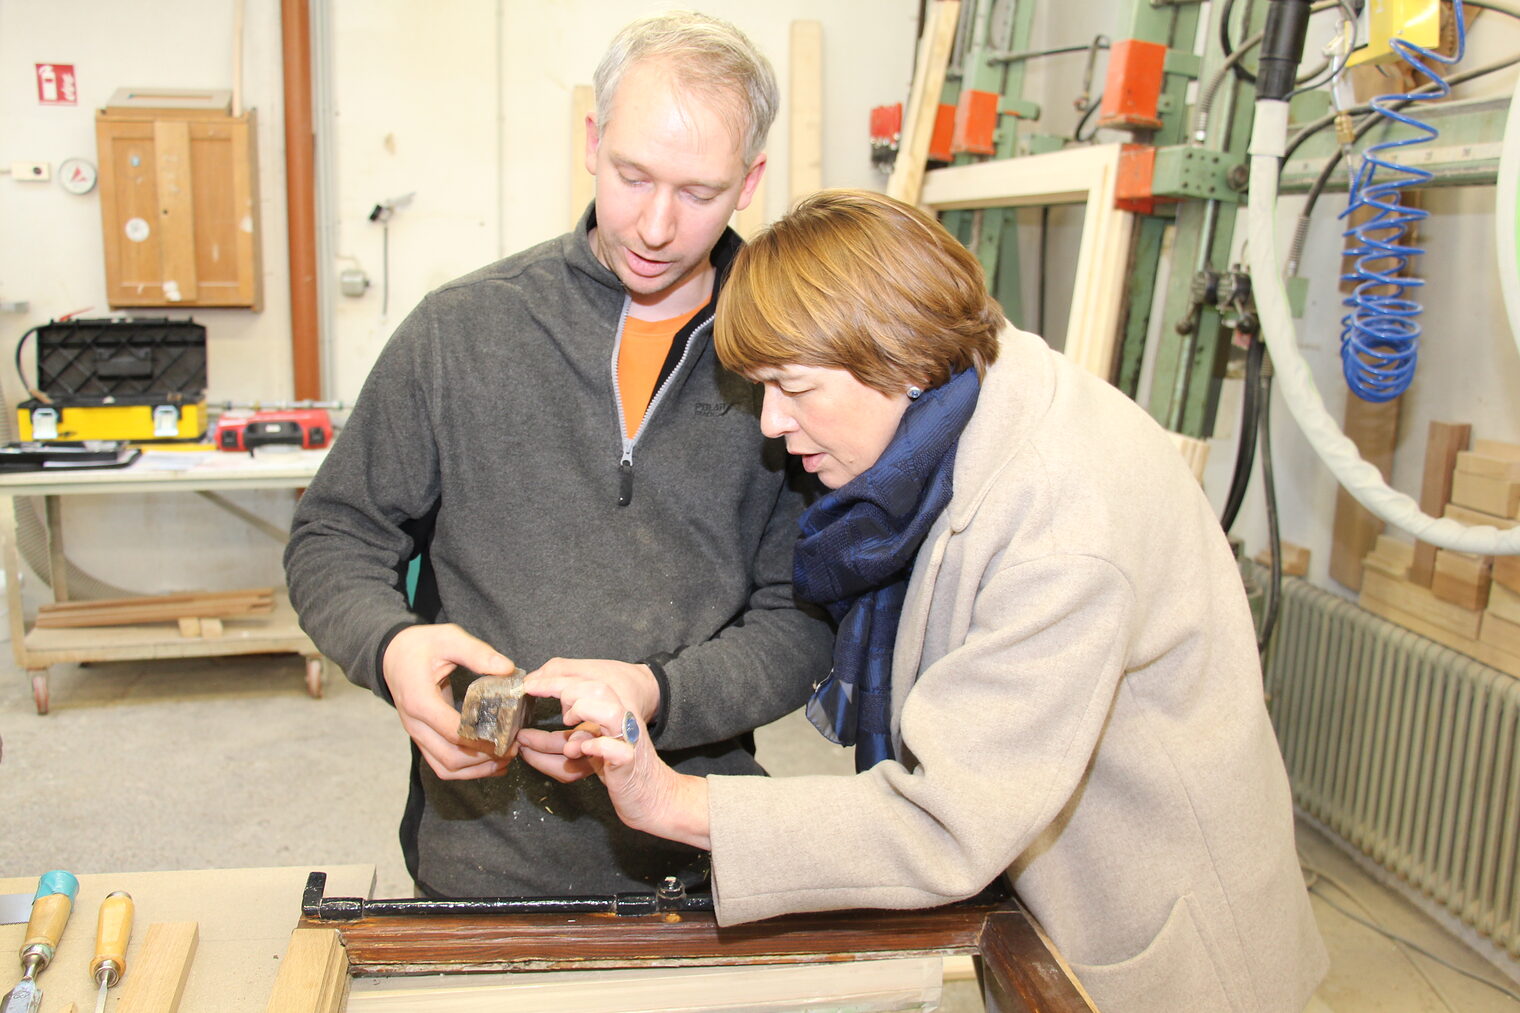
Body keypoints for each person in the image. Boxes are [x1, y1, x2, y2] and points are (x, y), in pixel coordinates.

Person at [522, 189, 1330, 1011]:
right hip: (1050, 893)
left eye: (793, 387)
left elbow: (946, 825)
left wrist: (671, 799)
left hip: (1165, 948)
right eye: (760, 387)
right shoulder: (960, 396)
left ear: (901, 357)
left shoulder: (1063, 524)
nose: (771, 422)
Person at [283, 12, 832, 899]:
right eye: (632, 175)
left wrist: (660, 692)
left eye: (698, 192)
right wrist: (389, 649)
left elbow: (803, 616)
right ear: (591, 140)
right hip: (483, 851)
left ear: (751, 181)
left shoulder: (793, 364)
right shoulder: (461, 332)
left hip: (703, 852)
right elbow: (335, 537)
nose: (655, 225)